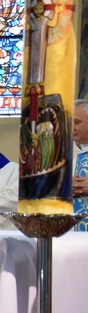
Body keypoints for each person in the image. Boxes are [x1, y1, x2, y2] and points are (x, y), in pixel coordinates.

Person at [73, 98, 88, 231]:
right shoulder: (61, 154)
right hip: (71, 236)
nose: (72, 128)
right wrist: (64, 189)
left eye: (76, 122)